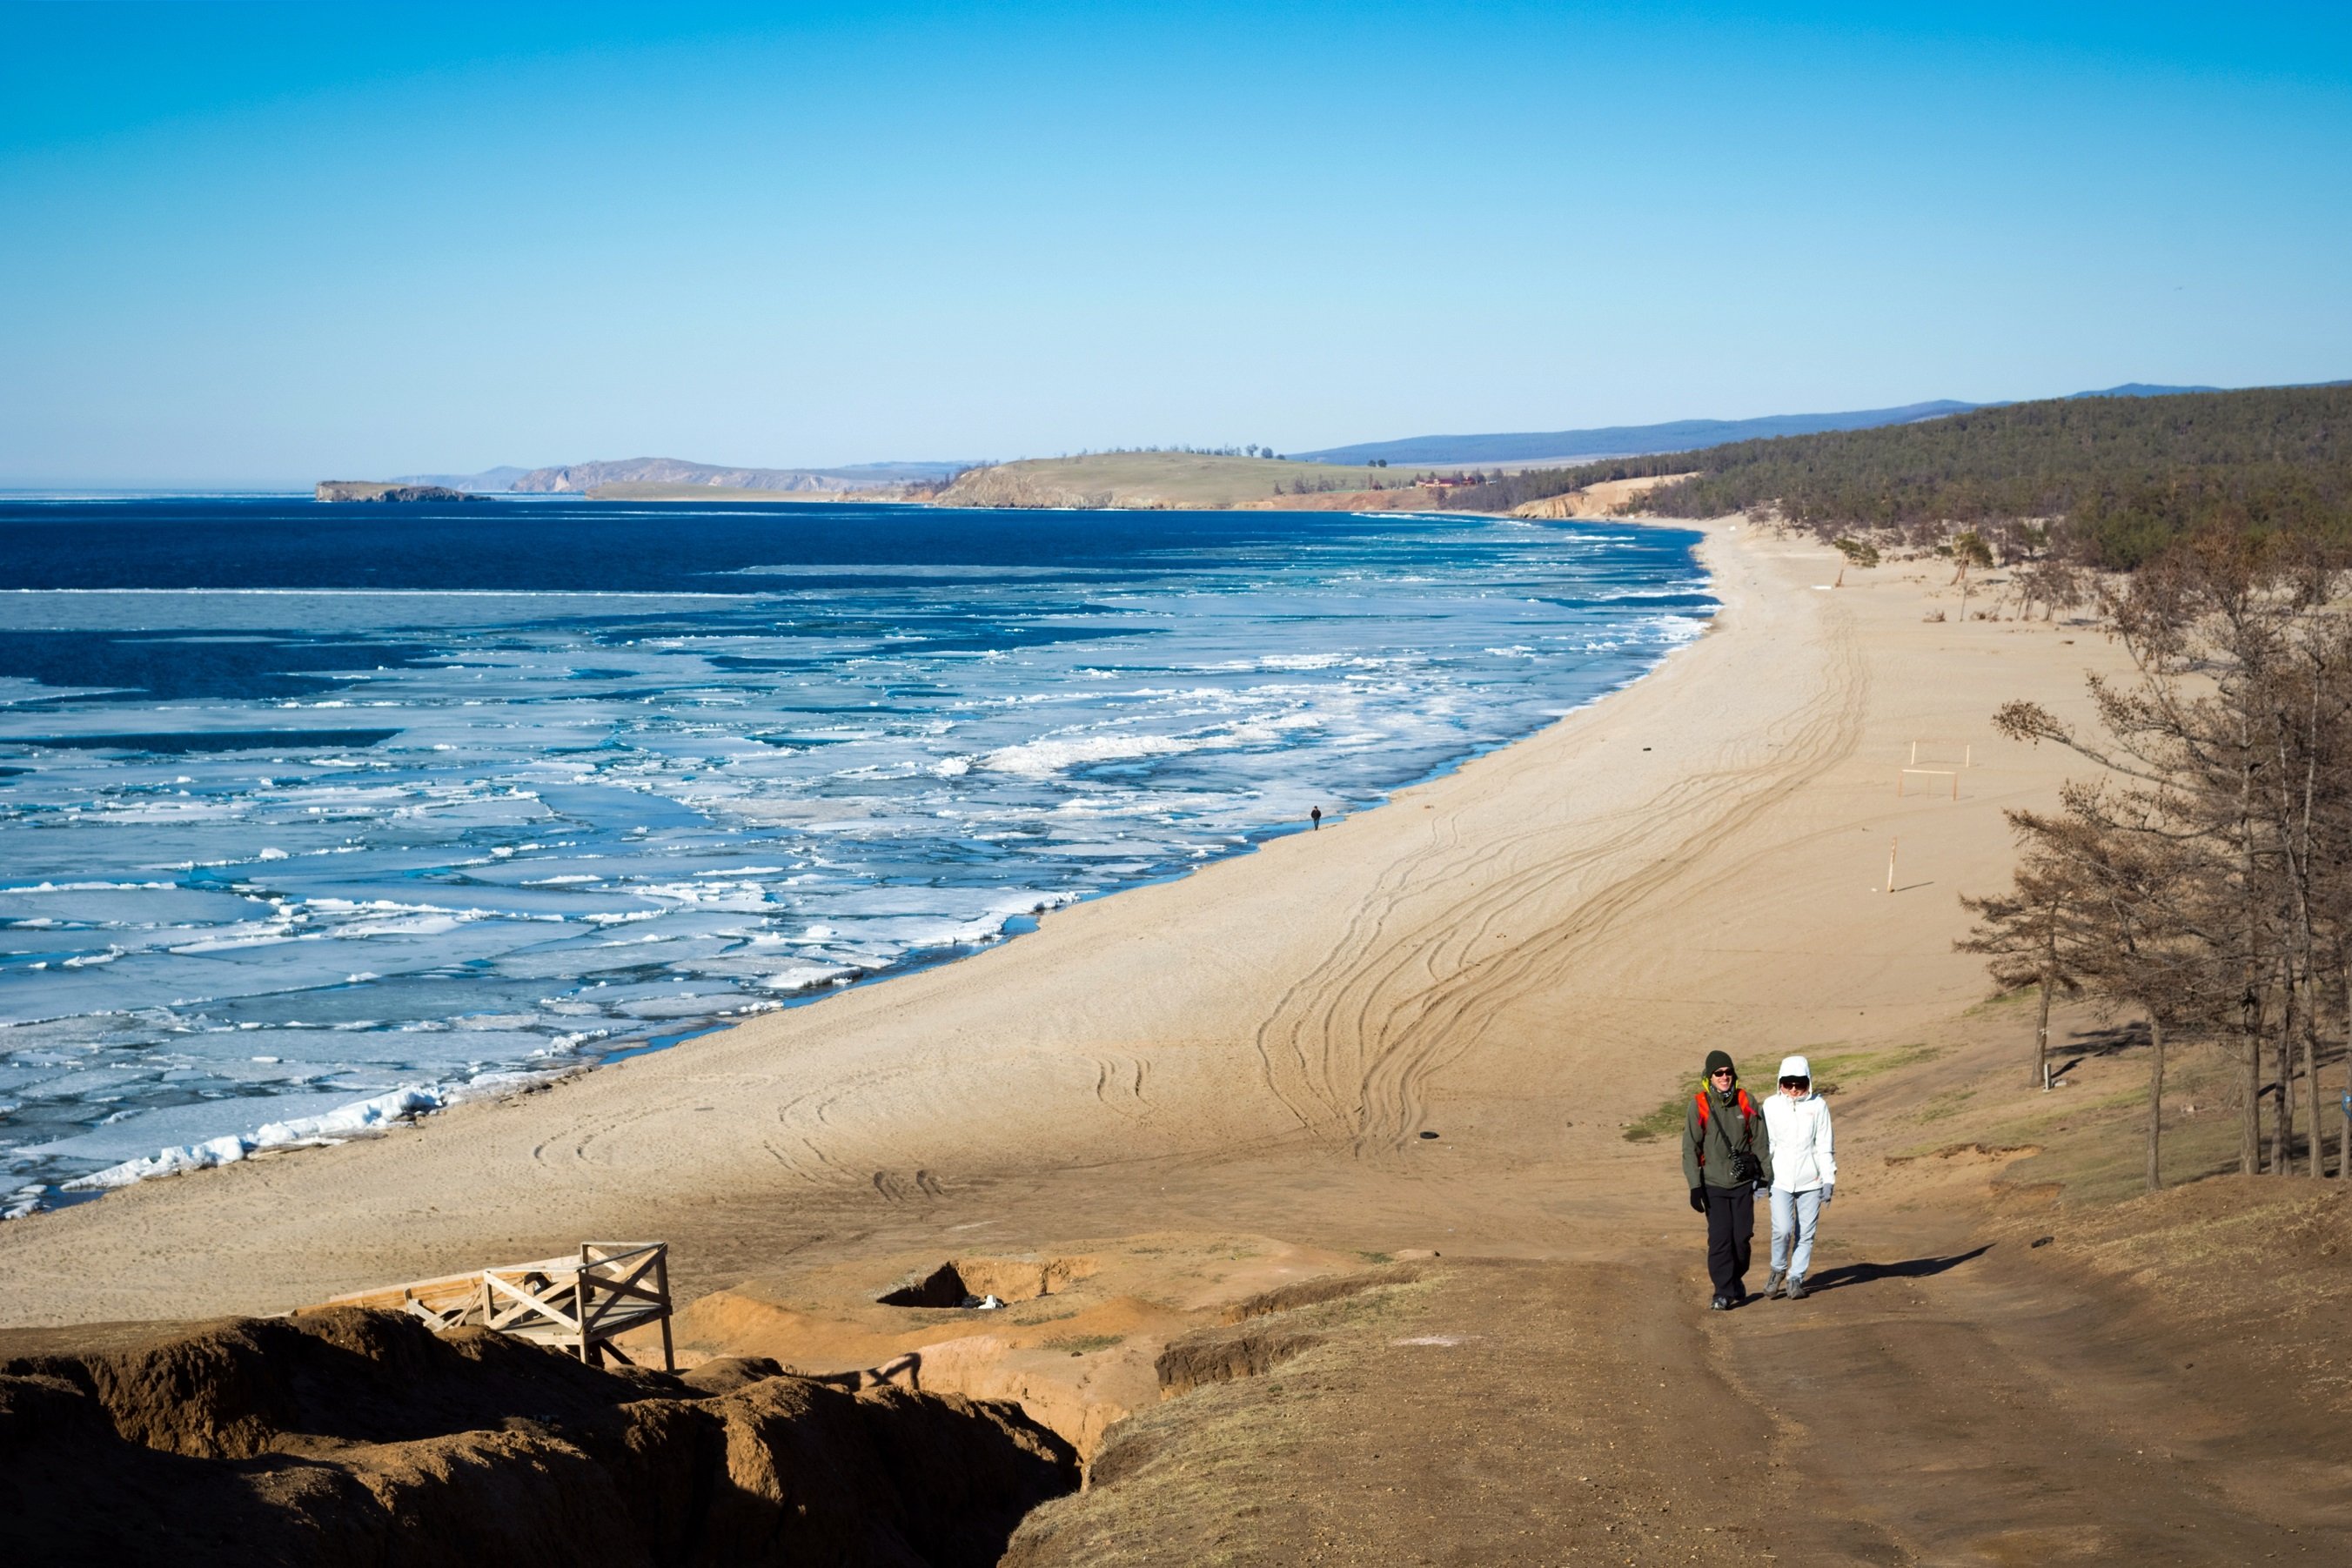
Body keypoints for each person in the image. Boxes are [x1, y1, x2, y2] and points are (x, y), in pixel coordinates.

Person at [1681, 1049, 1772, 1310]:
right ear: (1710, 1077)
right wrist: (1695, 1187)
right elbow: (1690, 1148)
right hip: (1713, 1185)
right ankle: (1722, 1291)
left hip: (1743, 1184)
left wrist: (1766, 1177)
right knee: (1720, 1238)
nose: (1724, 1077)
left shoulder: (1747, 1101)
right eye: (1718, 1073)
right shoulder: (1698, 1104)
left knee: (1741, 1238)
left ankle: (1735, 1279)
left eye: (1728, 1072)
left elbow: (1761, 1142)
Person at [1760, 1054, 1835, 1300]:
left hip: (1811, 1181)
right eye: (1788, 1083)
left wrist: (1828, 1179)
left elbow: (1824, 1145)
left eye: (1800, 1083)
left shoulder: (1818, 1106)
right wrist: (1761, 1176)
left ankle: (1796, 1278)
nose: (1794, 1089)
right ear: (1780, 1082)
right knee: (1782, 1230)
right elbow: (1767, 1144)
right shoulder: (1770, 1106)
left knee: (1806, 1234)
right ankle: (1778, 1269)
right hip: (1780, 1179)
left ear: (1808, 1083)